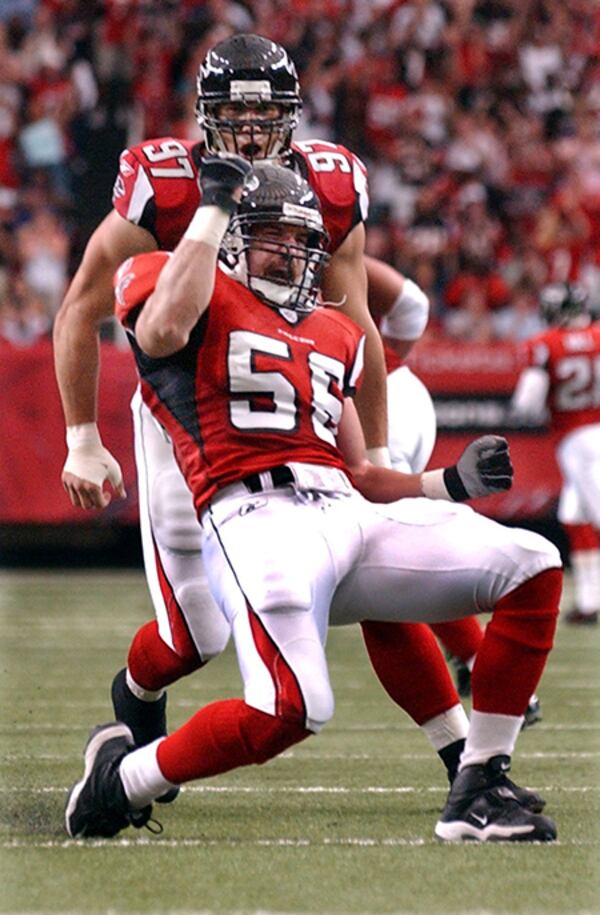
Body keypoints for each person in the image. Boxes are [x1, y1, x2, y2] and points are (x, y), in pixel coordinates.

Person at [64, 160, 562, 844]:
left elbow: (356, 470)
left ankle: (478, 783)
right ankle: (122, 781)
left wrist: (448, 483)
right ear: (233, 237)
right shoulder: (177, 281)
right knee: (294, 708)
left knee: (533, 561)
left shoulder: (335, 331)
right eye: (271, 234)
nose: (290, 251)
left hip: (342, 510)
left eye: (301, 239)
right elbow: (159, 334)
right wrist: (210, 209)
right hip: (252, 514)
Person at [54, 33, 484, 789]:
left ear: (292, 114)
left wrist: (377, 457)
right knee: (196, 632)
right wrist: (81, 437)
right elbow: (82, 303)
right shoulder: (164, 182)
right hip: (185, 410)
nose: (250, 130)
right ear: (204, 114)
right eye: (233, 112)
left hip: (296, 399)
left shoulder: (328, 180)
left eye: (265, 113)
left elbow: (357, 325)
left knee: (377, 564)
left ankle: (467, 758)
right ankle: (139, 694)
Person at [366, 256, 543, 725]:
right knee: (388, 565)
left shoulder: (313, 272)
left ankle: (474, 734)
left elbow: (410, 307)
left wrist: (340, 244)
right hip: (387, 392)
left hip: (374, 397)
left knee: (381, 568)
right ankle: (480, 669)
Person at [512, 281, 600, 625]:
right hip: (592, 432)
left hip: (578, 438)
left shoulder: (546, 345)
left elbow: (527, 402)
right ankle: (591, 601)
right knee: (575, 517)